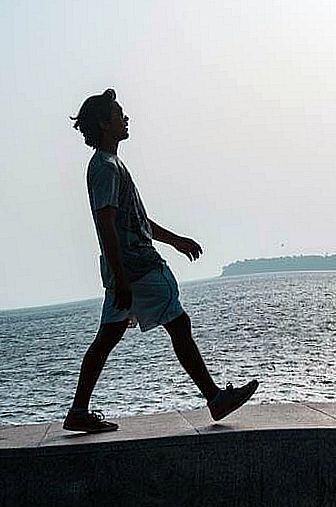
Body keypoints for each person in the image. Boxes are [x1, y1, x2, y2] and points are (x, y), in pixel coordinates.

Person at [63, 88, 259, 433]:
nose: (126, 118)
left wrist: (175, 240)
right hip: (137, 269)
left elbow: (136, 221)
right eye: (119, 113)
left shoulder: (110, 165)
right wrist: (123, 278)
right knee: (178, 324)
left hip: (125, 270)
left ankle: (78, 410)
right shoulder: (106, 169)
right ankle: (215, 398)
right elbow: (106, 223)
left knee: (107, 337)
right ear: (105, 124)